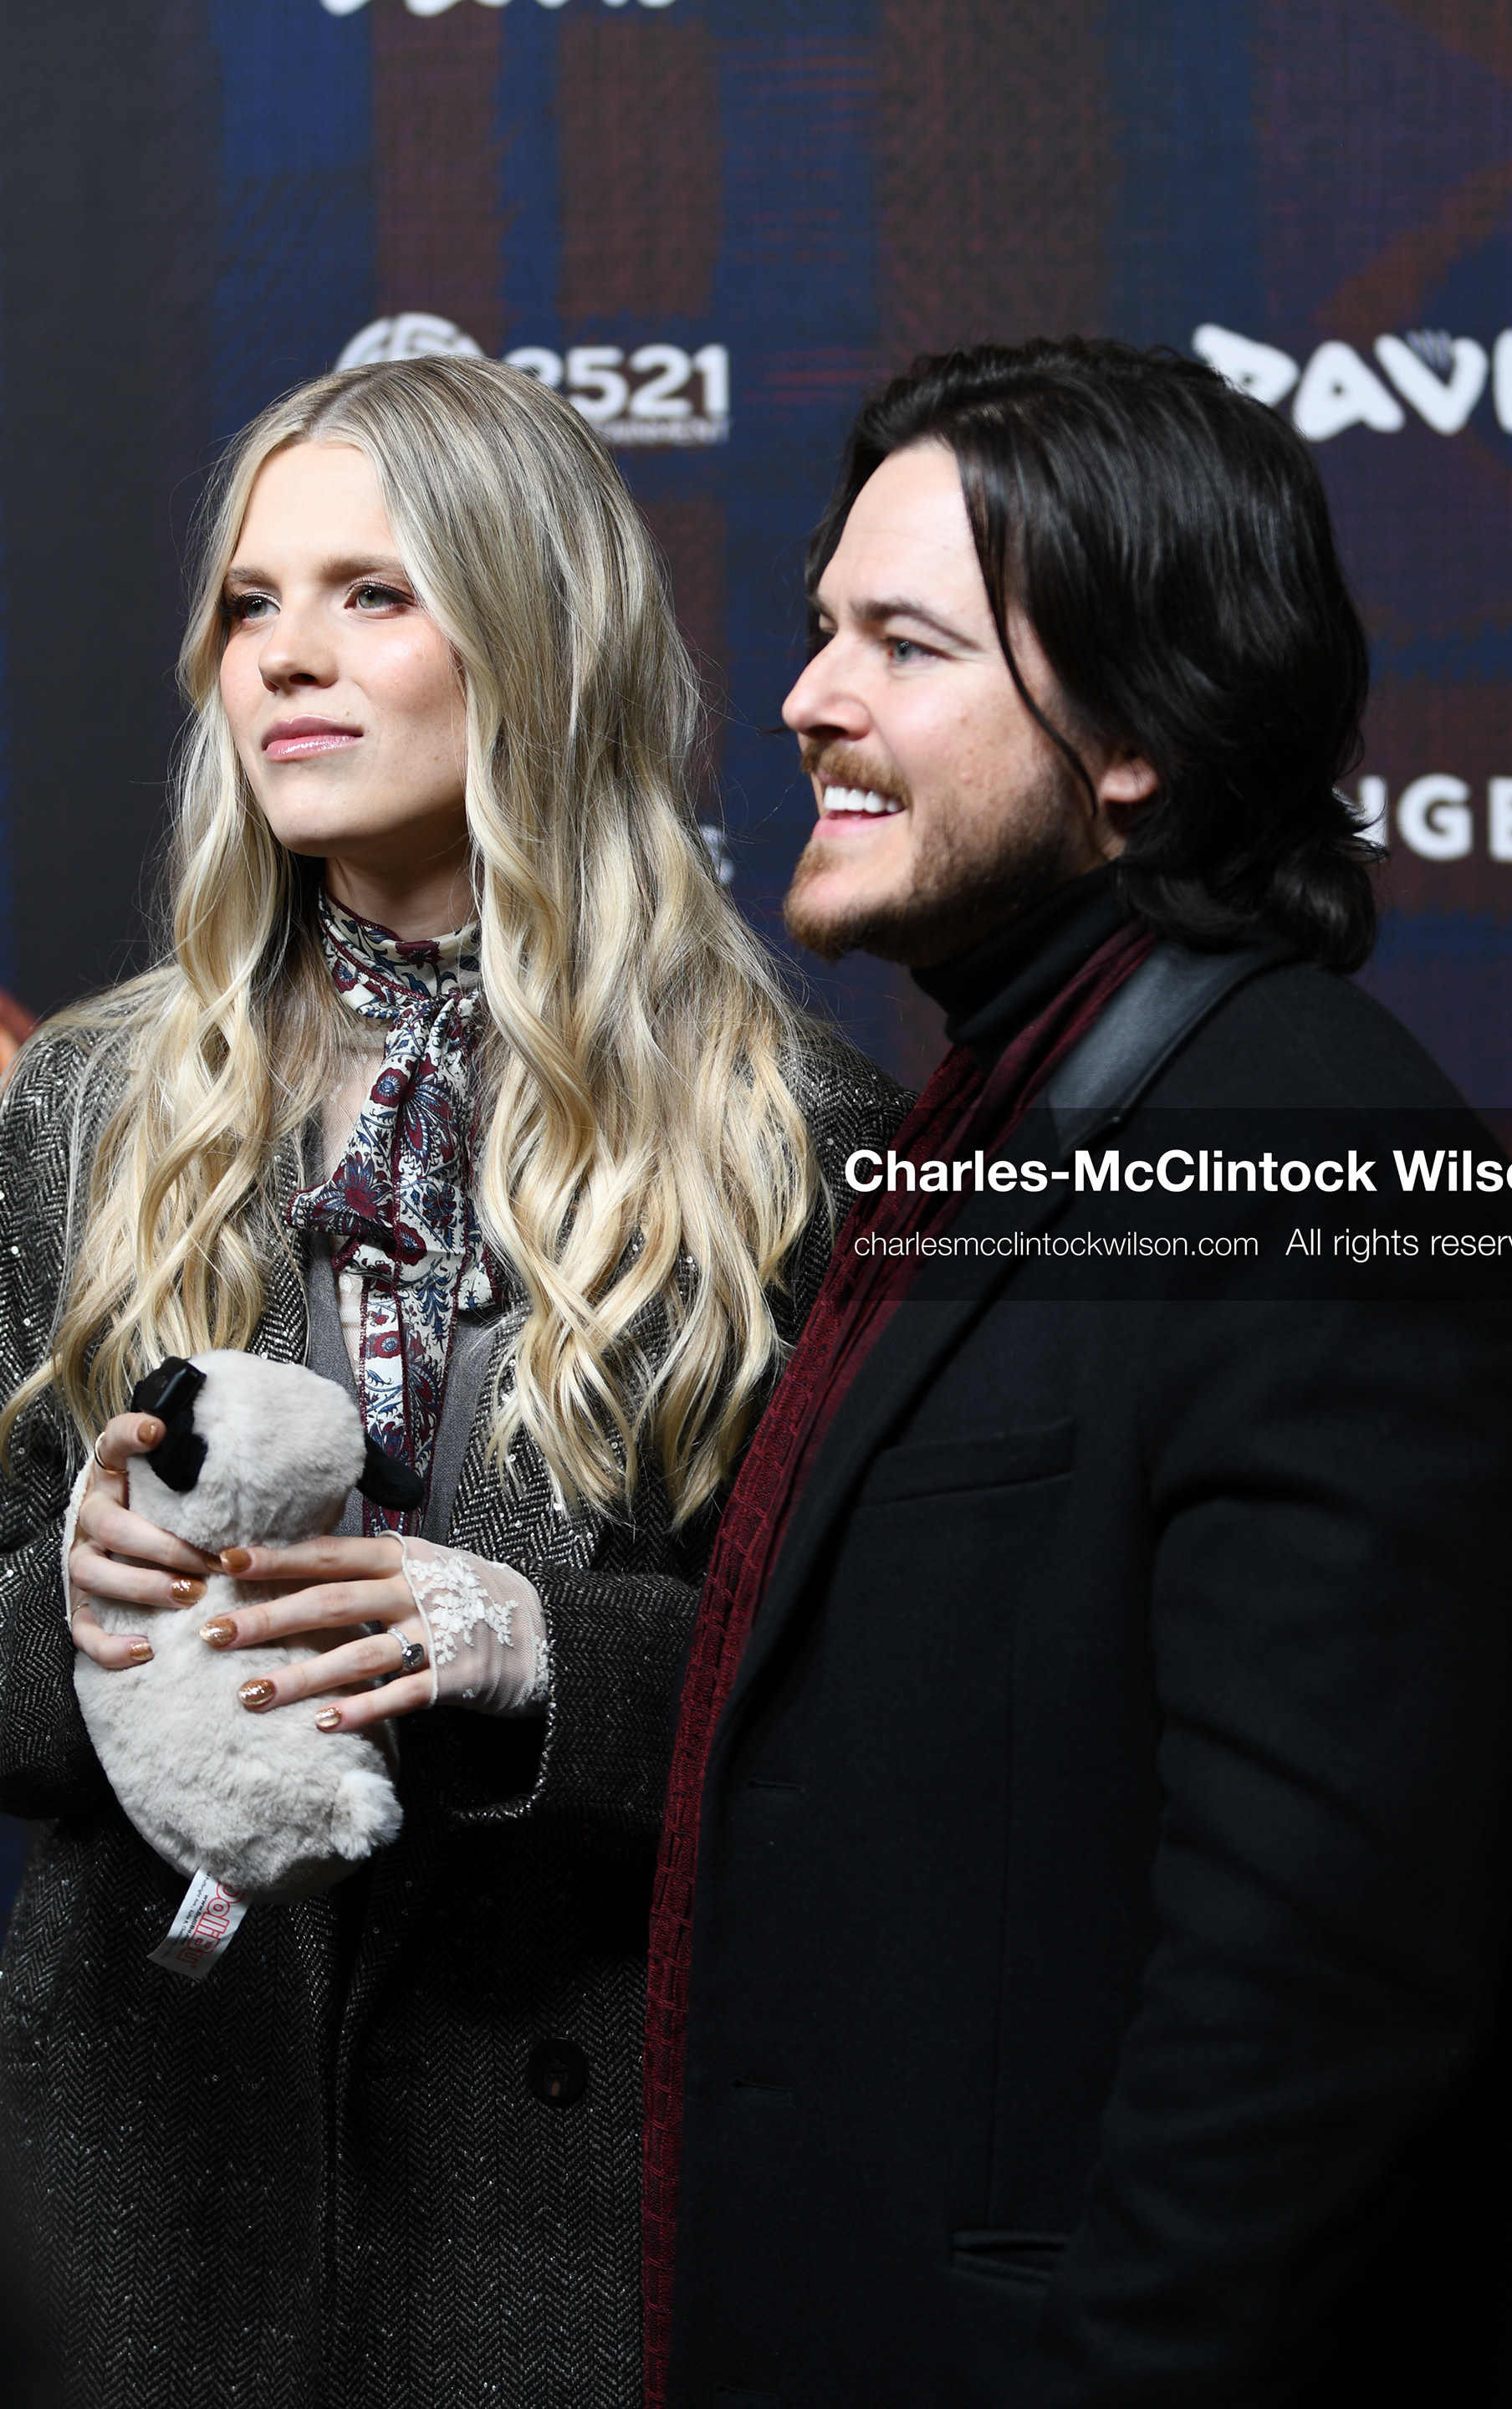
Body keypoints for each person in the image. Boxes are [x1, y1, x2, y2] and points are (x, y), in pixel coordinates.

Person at [643, 339, 1512, 2407]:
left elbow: (1311, 2024)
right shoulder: (996, 1122)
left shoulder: (1329, 1170)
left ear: (1138, 731)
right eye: (823, 631)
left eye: (907, 643)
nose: (810, 698)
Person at [0, 353, 904, 2409]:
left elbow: (880, 1707)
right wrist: (80, 1626)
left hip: (561, 2192)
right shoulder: (85, 1099)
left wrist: (532, 1655)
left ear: (534, 637)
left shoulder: (796, 1131)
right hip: (140, 2170)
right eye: (251, 603)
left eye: (372, 596)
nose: (287, 661)